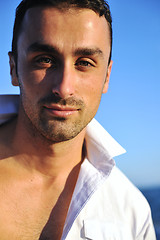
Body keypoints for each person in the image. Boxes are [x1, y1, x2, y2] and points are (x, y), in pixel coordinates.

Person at [0, 0, 156, 239]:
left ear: (106, 77)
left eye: (84, 63)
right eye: (45, 59)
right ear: (13, 68)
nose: (64, 88)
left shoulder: (131, 213)